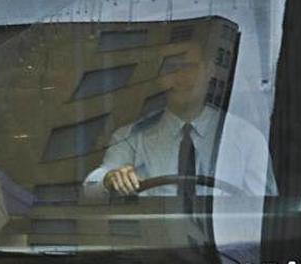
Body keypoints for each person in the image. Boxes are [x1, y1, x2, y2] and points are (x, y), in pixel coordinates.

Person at [82, 46, 272, 199]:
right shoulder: (131, 137)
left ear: (209, 71)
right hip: (153, 243)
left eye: (189, 67)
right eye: (170, 68)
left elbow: (264, 211)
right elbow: (91, 188)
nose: (180, 78)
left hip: (225, 243)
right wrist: (109, 179)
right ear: (159, 77)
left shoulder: (246, 138)